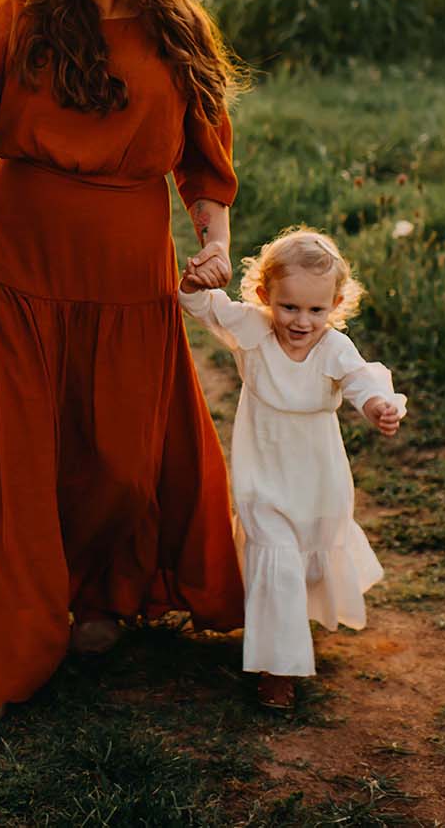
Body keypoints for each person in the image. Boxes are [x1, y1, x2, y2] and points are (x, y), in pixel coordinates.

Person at [0, 0, 247, 726]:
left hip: (126, 269)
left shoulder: (176, 28)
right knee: (11, 460)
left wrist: (213, 247)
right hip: (19, 262)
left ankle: (101, 592)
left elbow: (207, 166)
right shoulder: (21, 12)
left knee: (116, 460)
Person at [179, 228, 407, 709]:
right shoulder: (252, 329)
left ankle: (288, 627)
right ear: (266, 296)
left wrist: (378, 408)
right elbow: (200, 306)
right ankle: (277, 670)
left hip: (317, 478)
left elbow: (361, 381)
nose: (301, 321)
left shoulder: (334, 348)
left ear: (335, 304)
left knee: (307, 556)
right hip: (263, 472)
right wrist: (196, 280)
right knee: (275, 555)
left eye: (316, 310)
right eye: (289, 307)